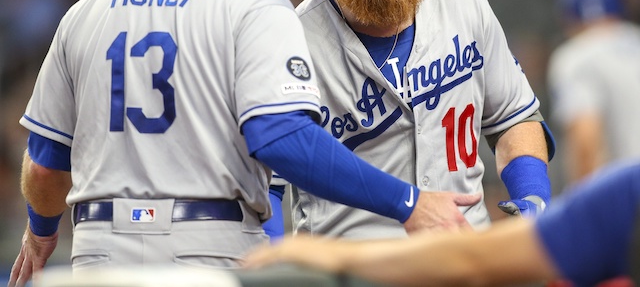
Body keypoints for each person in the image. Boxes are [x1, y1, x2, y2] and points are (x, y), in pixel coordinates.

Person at [7, 0, 443, 287]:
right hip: (205, 251)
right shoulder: (256, 4)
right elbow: (282, 138)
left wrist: (41, 232)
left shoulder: (88, 7)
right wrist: (406, 202)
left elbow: (45, 165)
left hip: (98, 254)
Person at [285, 0, 555, 239]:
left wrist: (533, 196)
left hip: (462, 256)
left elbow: (514, 117)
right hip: (350, 267)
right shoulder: (295, 38)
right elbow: (271, 178)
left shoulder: (463, 2)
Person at [244, 159, 640, 287]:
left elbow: (473, 259)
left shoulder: (629, 192)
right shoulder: (627, 194)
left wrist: (340, 254)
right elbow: (473, 258)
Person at [547, 0, 640, 185]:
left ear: (567, 14)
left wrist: (586, 212)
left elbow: (585, 140)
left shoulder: (574, 56)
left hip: (630, 200)